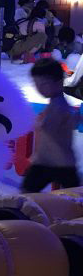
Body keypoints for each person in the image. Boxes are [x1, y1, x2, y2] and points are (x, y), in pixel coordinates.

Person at [22, 58, 81, 192]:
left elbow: (49, 127)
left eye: (43, 84)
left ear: (59, 83)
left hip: (56, 162)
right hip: (53, 160)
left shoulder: (59, 106)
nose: (39, 88)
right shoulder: (56, 103)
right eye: (36, 84)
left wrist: (36, 122)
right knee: (72, 193)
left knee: (27, 193)